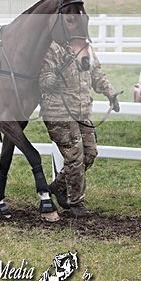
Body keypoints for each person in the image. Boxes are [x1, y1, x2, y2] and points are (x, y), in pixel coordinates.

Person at [39, 41, 120, 217]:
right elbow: (43, 79)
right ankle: (76, 203)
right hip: (58, 112)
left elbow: (97, 75)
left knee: (90, 153)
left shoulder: (85, 49)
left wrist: (110, 93)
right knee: (75, 156)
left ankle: (59, 185)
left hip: (81, 112)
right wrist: (50, 79)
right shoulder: (53, 48)